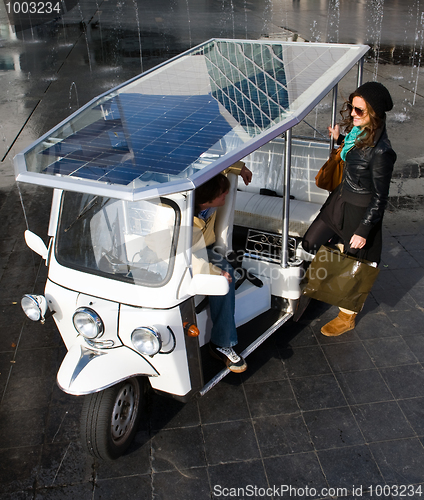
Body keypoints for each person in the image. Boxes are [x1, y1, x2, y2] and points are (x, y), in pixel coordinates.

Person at [302, 81, 397, 336]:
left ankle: (347, 316)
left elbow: (380, 196)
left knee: (357, 264)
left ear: (374, 114)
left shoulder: (382, 152)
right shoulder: (358, 135)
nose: (352, 114)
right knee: (310, 242)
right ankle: (339, 260)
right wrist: (341, 139)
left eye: (359, 110)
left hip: (360, 210)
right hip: (340, 200)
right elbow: (355, 152)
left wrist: (364, 229)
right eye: (351, 108)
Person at [192, 162, 252, 372]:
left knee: (225, 273)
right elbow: (184, 255)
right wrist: (215, 272)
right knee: (223, 278)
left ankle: (221, 342)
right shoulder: (183, 220)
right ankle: (223, 344)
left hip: (203, 249)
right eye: (223, 194)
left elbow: (224, 166)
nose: (227, 196)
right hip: (179, 254)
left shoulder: (207, 195)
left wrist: (241, 168)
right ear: (208, 199)